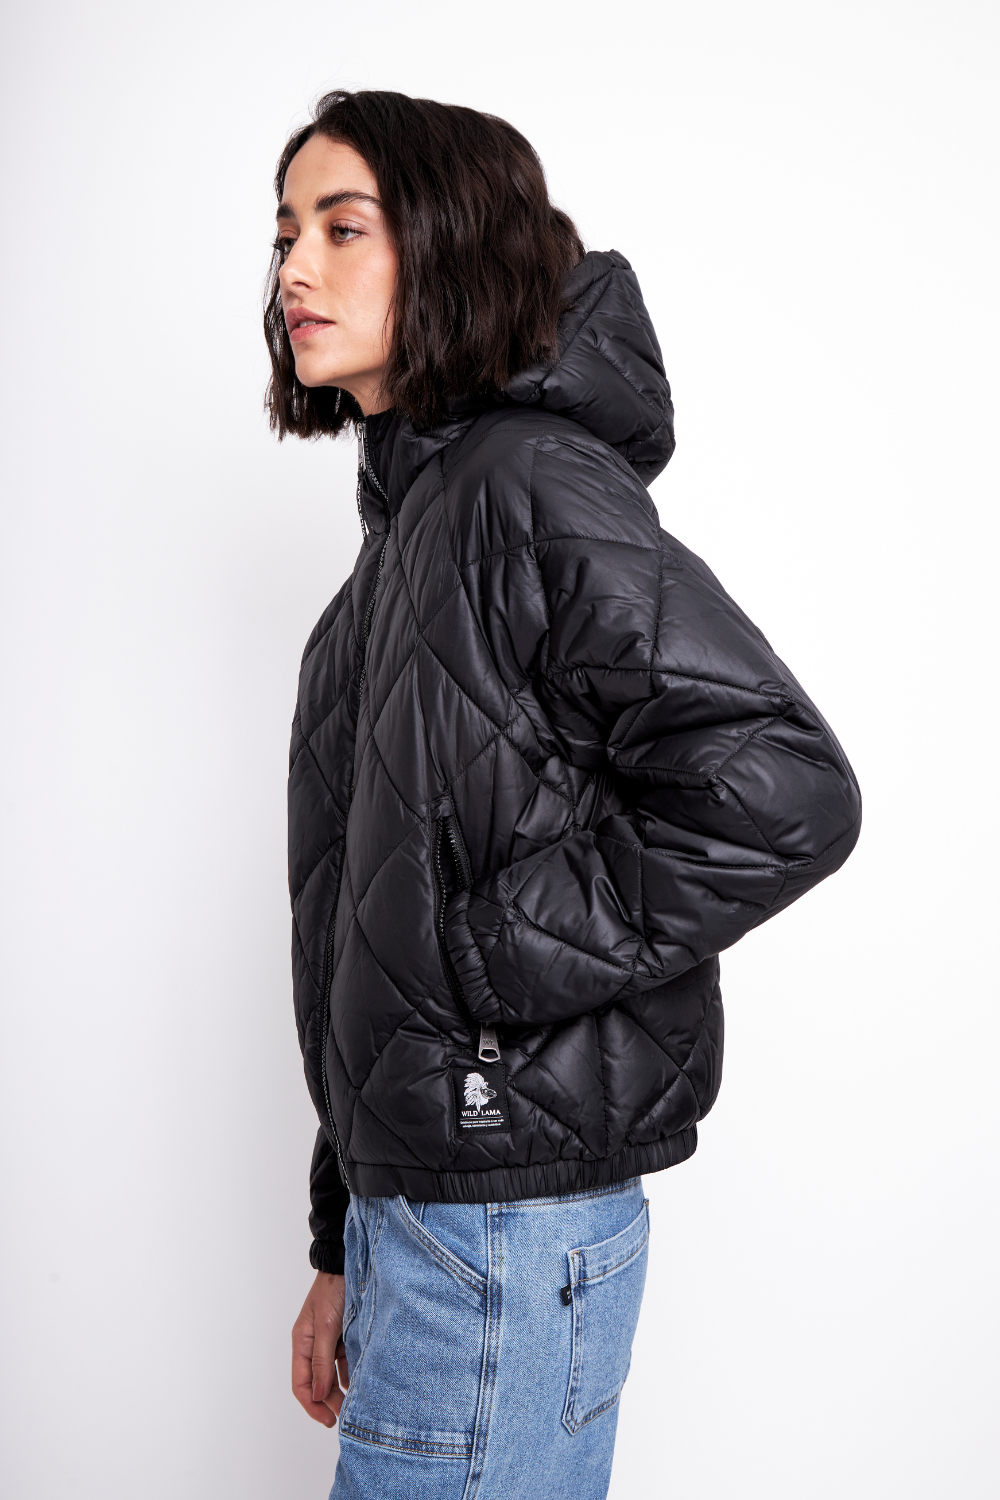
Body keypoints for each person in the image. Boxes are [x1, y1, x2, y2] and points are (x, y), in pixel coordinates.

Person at [266, 89, 861, 1500]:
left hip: (503, 1237)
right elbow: (365, 926)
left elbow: (783, 786)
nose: (293, 269)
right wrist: (343, 1237)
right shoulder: (402, 553)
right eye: (285, 234)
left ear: (451, 243)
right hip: (433, 1222)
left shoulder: (523, 484)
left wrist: (487, 956)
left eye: (343, 229)